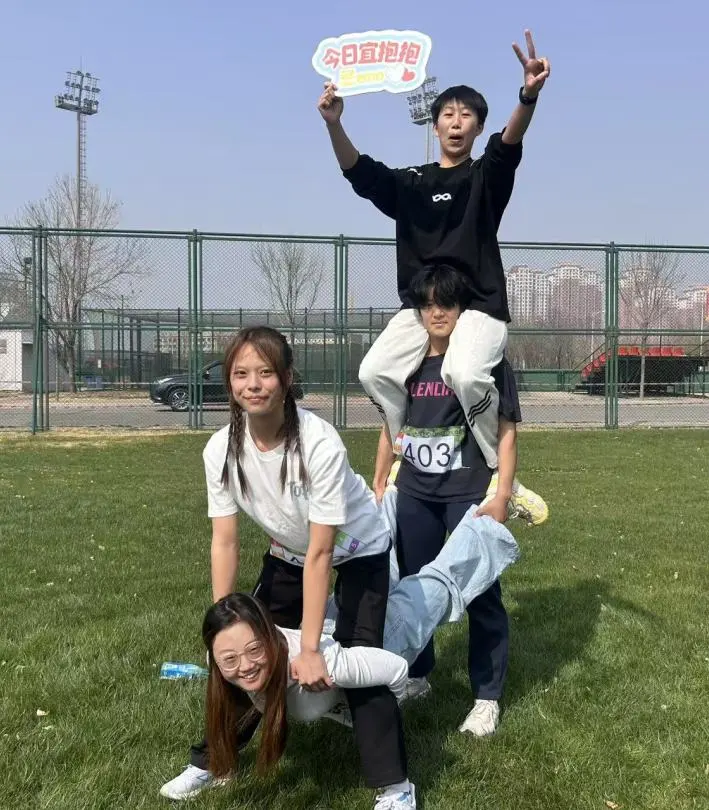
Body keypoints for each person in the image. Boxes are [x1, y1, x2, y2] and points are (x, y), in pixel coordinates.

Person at [160, 326, 414, 810]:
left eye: (265, 372)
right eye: (241, 374)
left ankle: (395, 787)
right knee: (247, 653)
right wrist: (224, 629)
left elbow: (322, 553)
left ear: (287, 378)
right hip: (289, 551)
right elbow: (225, 539)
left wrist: (312, 648)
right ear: (229, 381)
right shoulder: (220, 449)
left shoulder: (318, 443)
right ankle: (214, 760)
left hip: (359, 549)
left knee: (359, 661)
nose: (253, 384)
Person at [317, 30, 551, 480]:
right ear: (435, 125)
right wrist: (333, 124)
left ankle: (496, 470)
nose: (456, 122)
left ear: (478, 127)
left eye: (466, 115)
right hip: (422, 307)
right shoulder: (411, 183)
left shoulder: (484, 177)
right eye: (448, 114)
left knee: (464, 374)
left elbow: (508, 145)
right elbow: (359, 172)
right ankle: (405, 443)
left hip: (478, 304)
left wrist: (528, 95)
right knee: (374, 372)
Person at [197, 505, 520, 787]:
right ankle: (387, 504)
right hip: (335, 624)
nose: (244, 665)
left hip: (392, 637)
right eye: (230, 659)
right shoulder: (223, 661)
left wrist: (383, 701)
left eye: (254, 651)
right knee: (387, 575)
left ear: (268, 639)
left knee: (439, 583)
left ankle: (489, 518)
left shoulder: (321, 665)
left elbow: (395, 668)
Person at [372, 265, 546, 738]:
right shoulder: (406, 363)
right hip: (416, 493)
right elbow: (391, 426)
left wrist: (502, 493)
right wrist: (380, 479)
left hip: (469, 493)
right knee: (412, 588)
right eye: (427, 304)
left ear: (462, 308)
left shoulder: (482, 365)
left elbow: (506, 431)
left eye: (446, 302)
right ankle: (417, 675)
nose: (437, 312)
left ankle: (486, 697)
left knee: (482, 594)